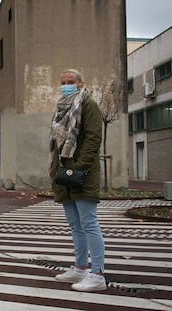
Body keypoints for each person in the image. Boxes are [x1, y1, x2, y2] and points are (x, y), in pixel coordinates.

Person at [49, 69, 106, 292]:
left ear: (81, 84)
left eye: (70, 82)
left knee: (89, 224)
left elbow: (93, 138)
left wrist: (79, 166)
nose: (66, 85)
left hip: (82, 174)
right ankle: (80, 268)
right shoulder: (62, 107)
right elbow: (57, 143)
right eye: (63, 82)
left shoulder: (88, 104)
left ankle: (98, 274)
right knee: (75, 225)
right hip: (65, 173)